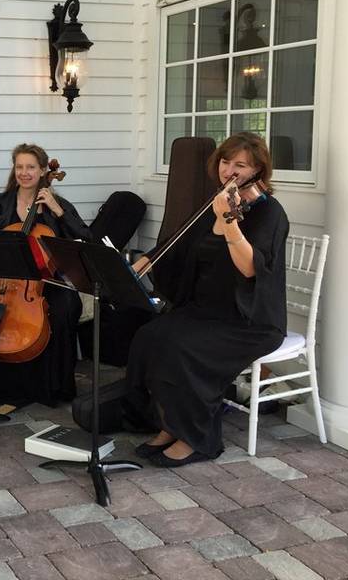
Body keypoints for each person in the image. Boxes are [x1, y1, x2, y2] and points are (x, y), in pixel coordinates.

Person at [126, 132, 288, 467]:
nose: (230, 169)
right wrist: (146, 261)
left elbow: (248, 268)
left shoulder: (269, 213)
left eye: (240, 165)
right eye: (226, 162)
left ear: (259, 170)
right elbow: (180, 246)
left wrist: (228, 219)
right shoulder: (212, 203)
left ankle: (196, 438)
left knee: (183, 346)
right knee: (151, 336)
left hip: (249, 319)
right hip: (206, 310)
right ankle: (170, 423)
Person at [0, 143, 93, 406]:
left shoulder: (57, 205)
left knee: (64, 309)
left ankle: (52, 386)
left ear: (42, 171)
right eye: (19, 167)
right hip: (2, 280)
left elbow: (85, 238)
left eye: (30, 167)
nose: (24, 172)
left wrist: (58, 211)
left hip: (45, 282)